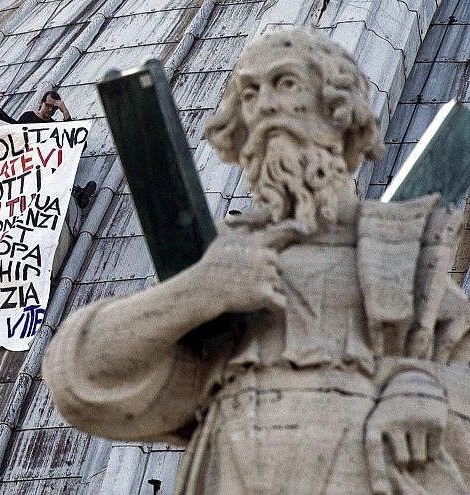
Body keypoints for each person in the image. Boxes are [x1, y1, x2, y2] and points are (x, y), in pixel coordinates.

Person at [43, 27, 470, 494]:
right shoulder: (219, 257)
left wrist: (427, 390)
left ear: (339, 113)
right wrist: (201, 290)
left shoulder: (402, 253)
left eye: (285, 84)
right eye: (251, 92)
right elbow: (79, 376)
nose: (266, 104)